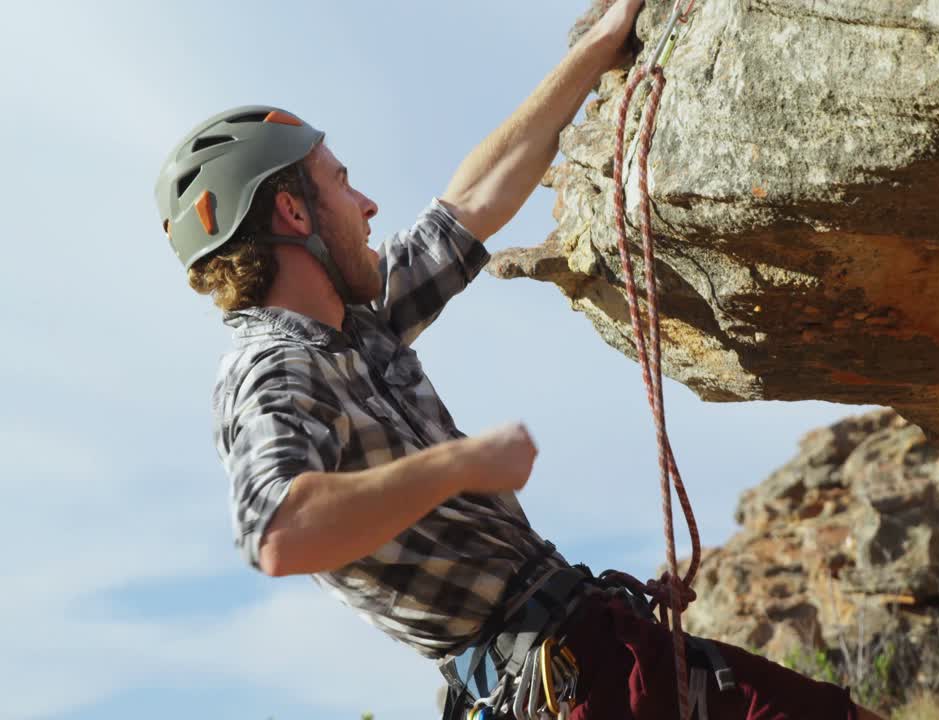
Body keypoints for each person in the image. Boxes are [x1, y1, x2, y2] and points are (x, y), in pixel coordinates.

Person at [156, 2, 884, 718]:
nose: (369, 204)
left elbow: (473, 199)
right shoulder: (272, 370)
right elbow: (280, 533)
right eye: (342, 182)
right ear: (292, 213)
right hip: (563, 681)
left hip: (588, 653)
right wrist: (461, 466)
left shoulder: (361, 321)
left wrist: (599, 47)